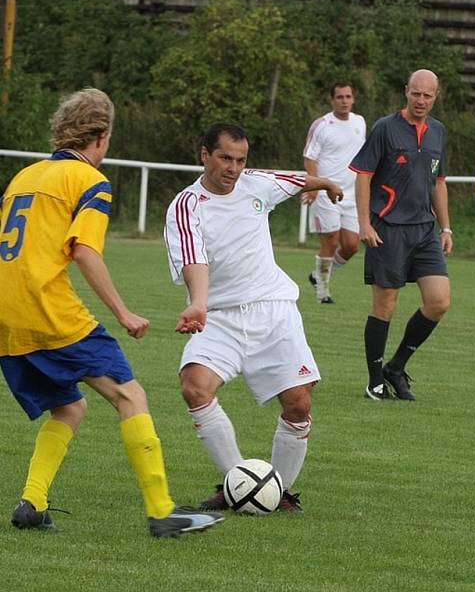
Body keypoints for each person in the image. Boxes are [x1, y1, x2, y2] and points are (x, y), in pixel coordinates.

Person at [0, 88, 223, 537]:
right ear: (100, 137)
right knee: (130, 396)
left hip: (6, 316)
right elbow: (83, 249)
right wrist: (123, 312)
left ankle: (32, 502)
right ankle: (163, 511)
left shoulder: (23, 177)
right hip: (48, 309)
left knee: (68, 408)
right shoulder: (89, 183)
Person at [164, 122, 343, 513]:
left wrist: (326, 183)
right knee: (195, 386)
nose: (233, 167)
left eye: (241, 160)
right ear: (205, 154)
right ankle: (240, 484)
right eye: (225, 157)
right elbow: (195, 258)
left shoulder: (256, 183)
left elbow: (295, 180)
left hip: (273, 309)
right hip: (220, 315)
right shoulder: (186, 205)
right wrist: (198, 302)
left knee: (299, 403)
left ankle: (279, 492)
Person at [350, 68, 452, 402]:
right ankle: (374, 380)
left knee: (439, 302)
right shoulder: (385, 128)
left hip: (425, 231)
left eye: (428, 95)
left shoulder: (438, 131)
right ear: (406, 91)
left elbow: (438, 182)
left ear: (436, 96)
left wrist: (446, 226)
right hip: (388, 229)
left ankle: (396, 367)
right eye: (416, 93)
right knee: (385, 304)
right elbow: (363, 176)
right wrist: (364, 223)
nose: (421, 100)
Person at [303, 82, 367, 303]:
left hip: (351, 195)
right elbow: (310, 157)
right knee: (330, 241)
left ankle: (318, 276)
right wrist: (314, 187)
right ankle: (323, 291)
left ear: (353, 99)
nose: (344, 101)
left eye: (348, 96)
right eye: (340, 97)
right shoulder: (322, 125)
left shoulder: (360, 122)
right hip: (325, 192)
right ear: (332, 100)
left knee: (351, 245)